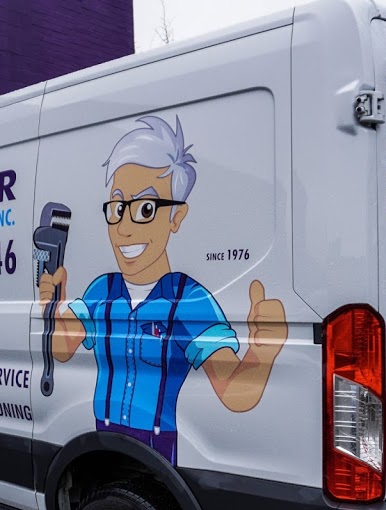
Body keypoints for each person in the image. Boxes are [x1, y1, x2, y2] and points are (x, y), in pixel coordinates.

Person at [37, 115, 287, 465]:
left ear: (176, 217)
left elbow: (233, 392)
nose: (124, 227)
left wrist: (263, 352)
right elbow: (62, 350)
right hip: (98, 441)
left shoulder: (188, 300)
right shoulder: (102, 290)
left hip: (157, 451)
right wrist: (51, 306)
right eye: (117, 208)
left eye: (145, 209)